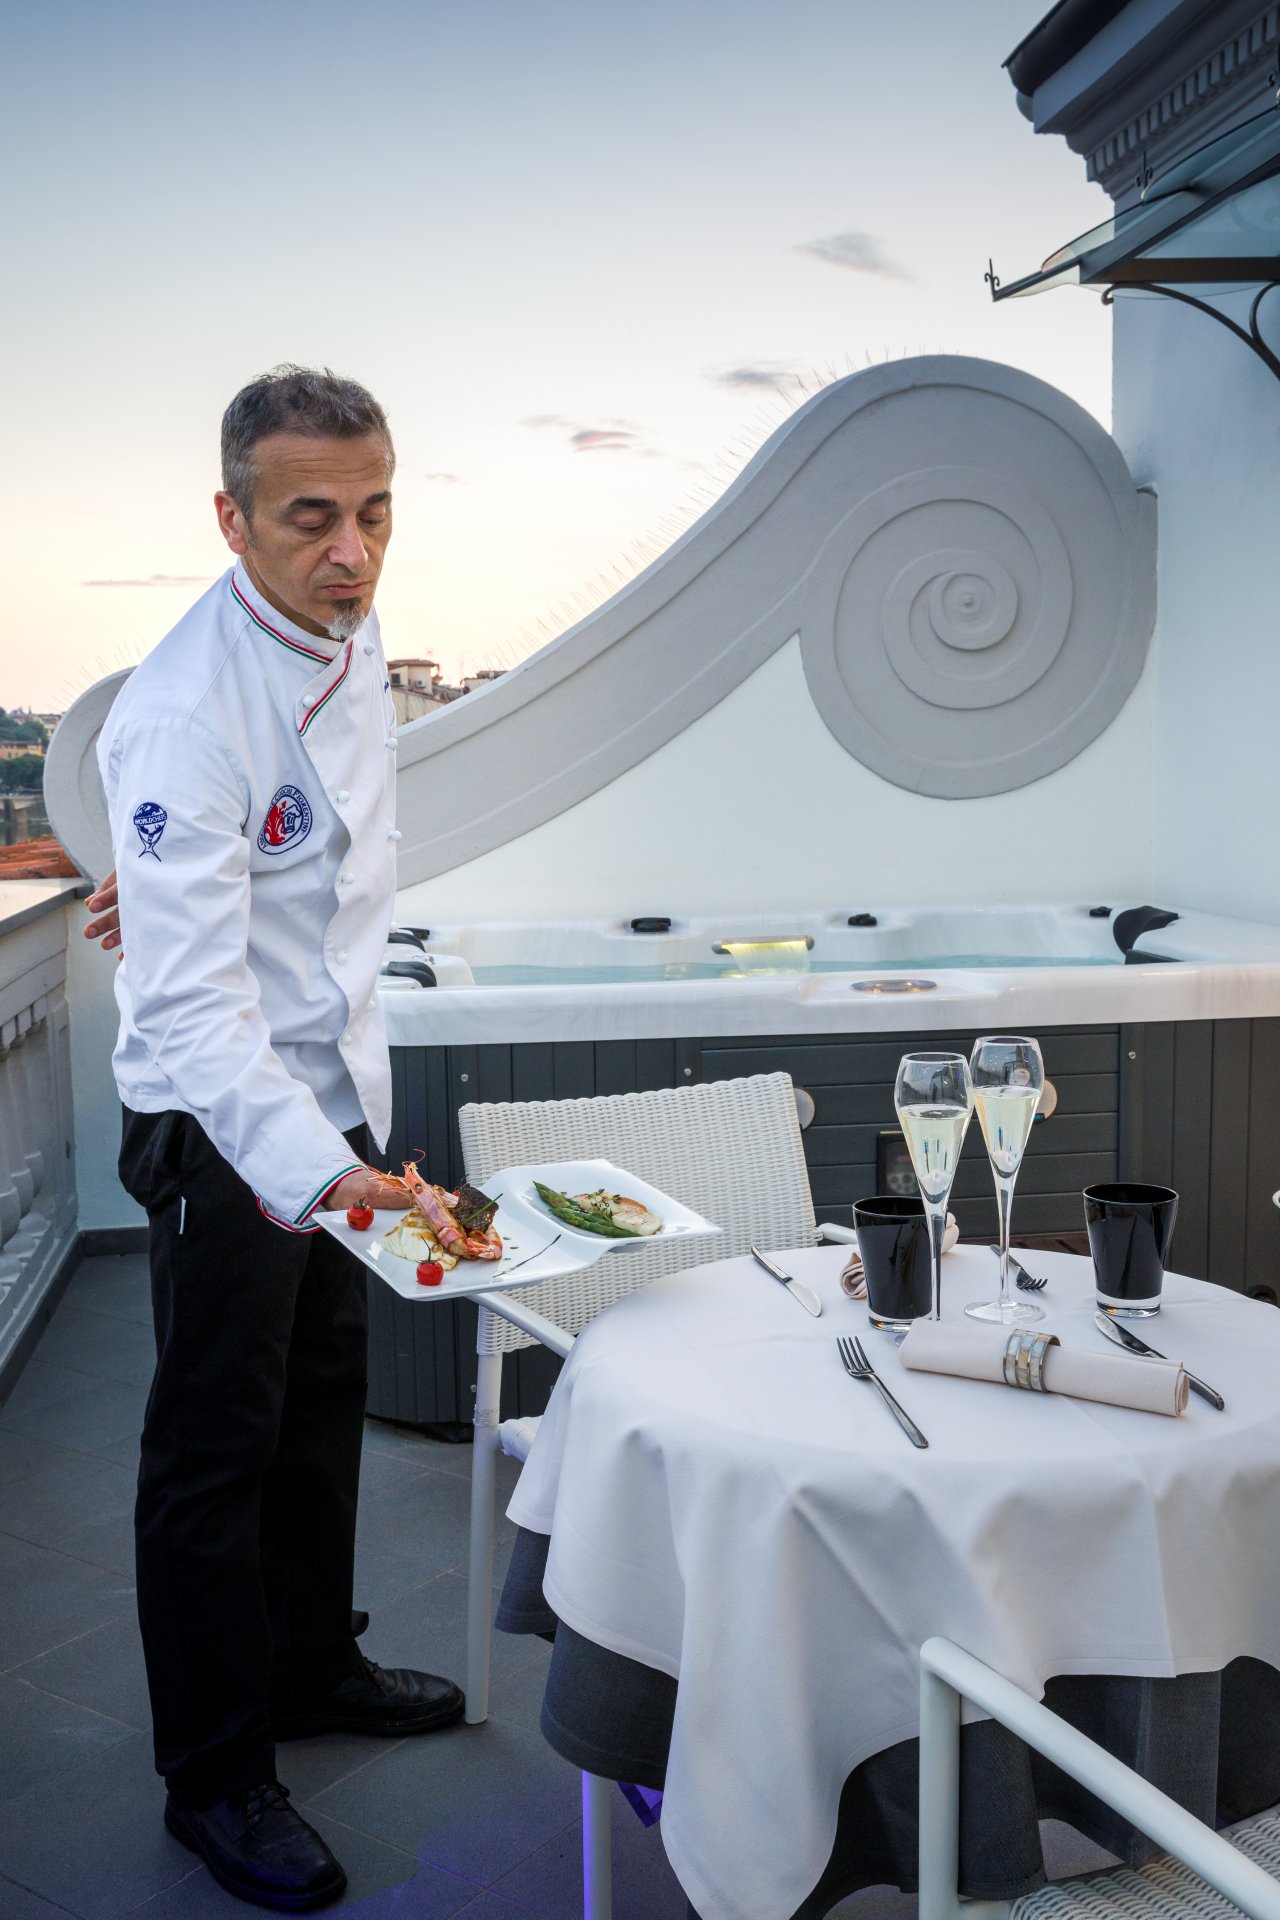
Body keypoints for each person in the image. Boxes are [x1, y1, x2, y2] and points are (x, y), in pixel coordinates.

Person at [84, 367, 463, 1914]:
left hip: (331, 1083)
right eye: (312, 517)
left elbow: (295, 851)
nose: (353, 551)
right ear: (230, 518)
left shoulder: (342, 630)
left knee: (319, 1406)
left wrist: (345, 1131)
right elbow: (188, 1011)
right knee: (213, 1454)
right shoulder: (187, 709)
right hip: (226, 1118)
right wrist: (315, 1167)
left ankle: (312, 1665)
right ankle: (215, 1773)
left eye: (375, 512)